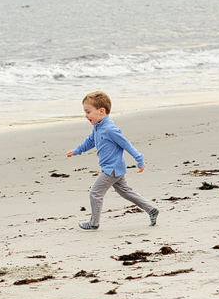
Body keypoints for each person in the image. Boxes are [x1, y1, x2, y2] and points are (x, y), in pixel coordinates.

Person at [66, 91, 159, 230]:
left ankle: (94, 223)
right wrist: (77, 150)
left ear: (101, 111)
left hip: (112, 168)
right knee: (125, 192)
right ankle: (151, 209)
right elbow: (90, 141)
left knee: (95, 193)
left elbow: (126, 144)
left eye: (88, 112)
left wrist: (139, 159)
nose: (86, 116)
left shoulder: (110, 129)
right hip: (113, 168)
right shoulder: (98, 127)